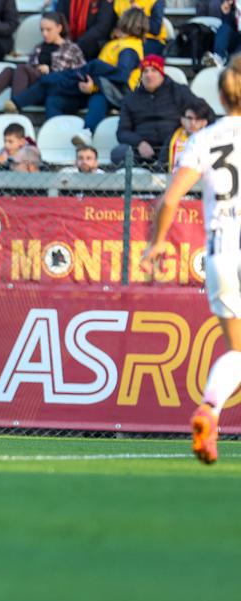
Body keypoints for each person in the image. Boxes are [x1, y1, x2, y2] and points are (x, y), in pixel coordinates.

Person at [141, 55, 241, 464]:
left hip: (221, 254)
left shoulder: (204, 139)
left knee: (237, 352)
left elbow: (168, 199)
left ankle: (209, 411)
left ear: (219, 95)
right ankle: (209, 410)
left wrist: (156, 244)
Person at [8, 8, 147, 135]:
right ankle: (56, 135)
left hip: (110, 94)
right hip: (94, 87)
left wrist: (95, 83)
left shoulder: (129, 48)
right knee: (54, 99)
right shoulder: (118, 43)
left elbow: (121, 76)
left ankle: (86, 133)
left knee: (78, 81)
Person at [0, 13, 85, 114]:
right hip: (34, 89)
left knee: (21, 68)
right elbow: (28, 72)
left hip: (53, 90)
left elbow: (79, 75)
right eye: (42, 30)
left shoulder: (72, 49)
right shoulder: (39, 48)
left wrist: (50, 70)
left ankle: (15, 106)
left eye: (48, 29)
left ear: (59, 28)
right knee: (9, 71)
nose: (44, 33)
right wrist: (38, 69)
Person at [108, 55, 203, 167]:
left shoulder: (179, 91)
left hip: (174, 146)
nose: (149, 75)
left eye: (154, 70)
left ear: (161, 73)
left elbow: (204, 112)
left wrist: (196, 124)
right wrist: (139, 143)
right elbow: (122, 132)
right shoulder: (131, 99)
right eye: (145, 71)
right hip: (143, 152)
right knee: (119, 153)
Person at [159, 101, 215, 171]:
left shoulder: (213, 139)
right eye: (189, 118)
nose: (192, 123)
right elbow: (161, 165)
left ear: (204, 122)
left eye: (198, 119)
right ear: (182, 120)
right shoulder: (172, 138)